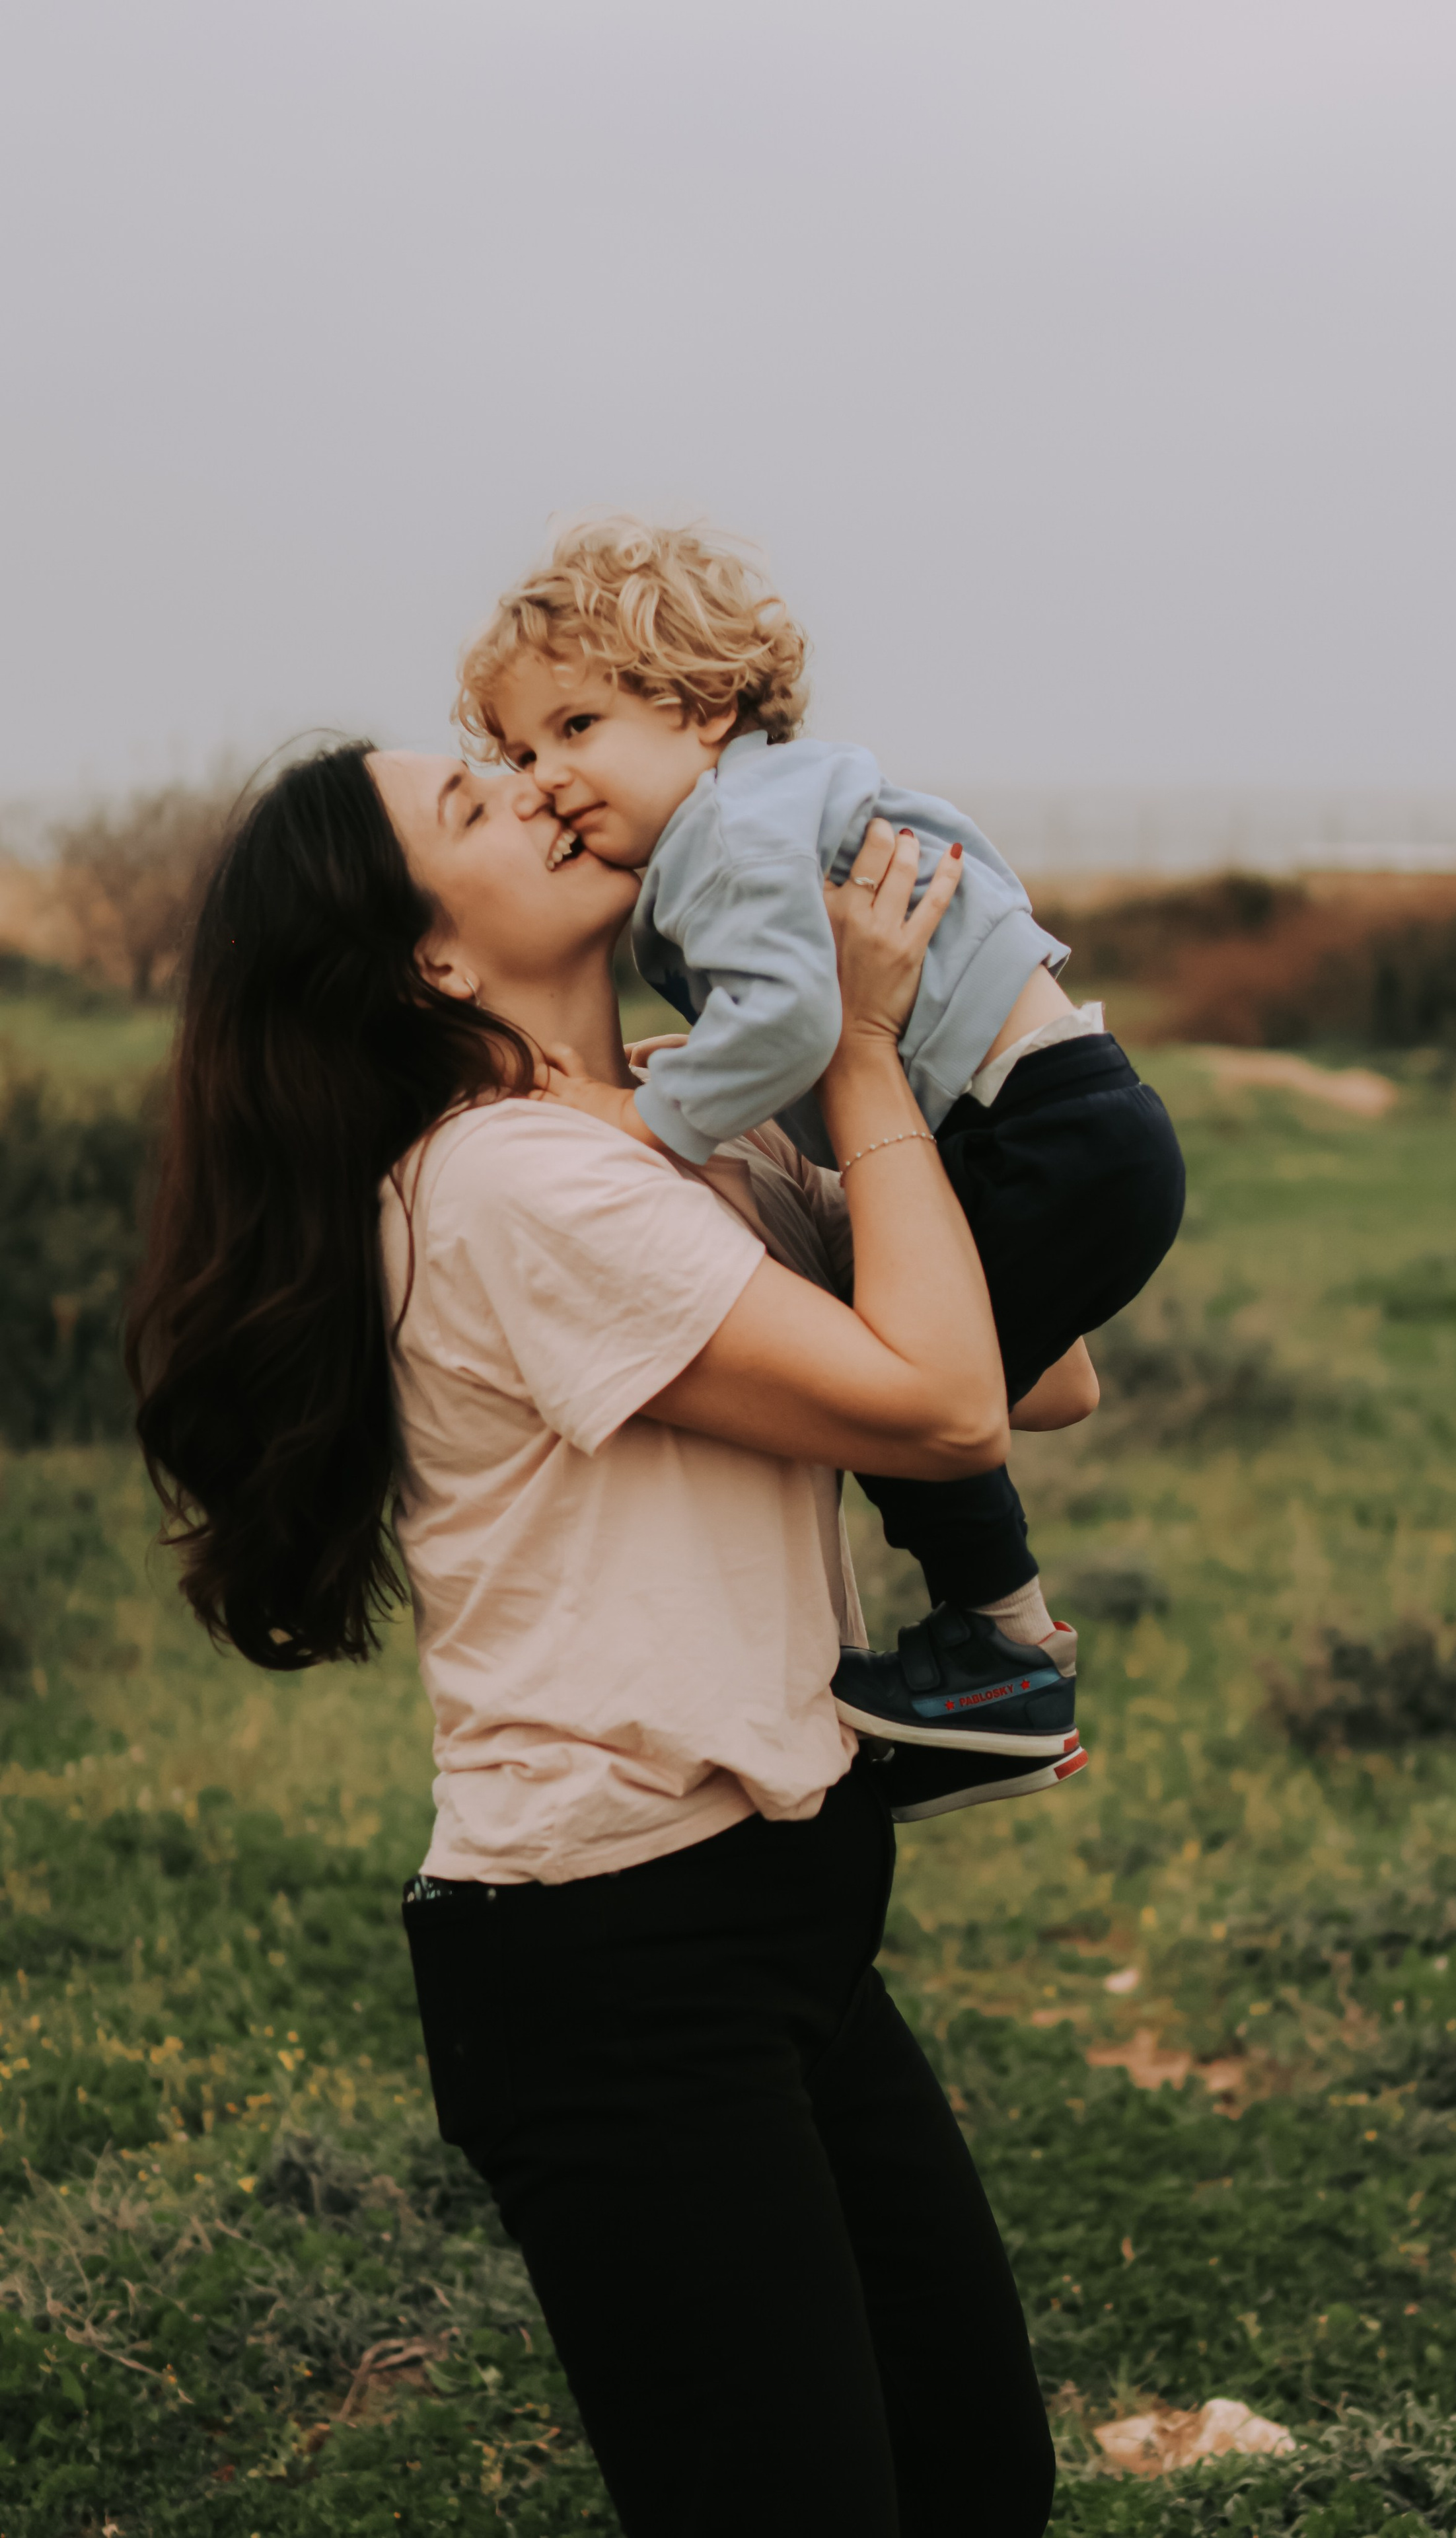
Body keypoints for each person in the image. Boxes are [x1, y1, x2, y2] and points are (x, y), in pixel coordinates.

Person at [127, 741, 1058, 2537]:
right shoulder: (510, 1187)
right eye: (471, 812)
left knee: (971, 2481)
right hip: (617, 1958)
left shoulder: (670, 1120)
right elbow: (947, 1407)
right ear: (434, 966)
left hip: (780, 1901)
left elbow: (1042, 1370)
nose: (546, 795)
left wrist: (976, 1042)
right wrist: (856, 1052)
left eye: (508, 771)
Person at [455, 514, 1186, 1808]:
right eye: (519, 748)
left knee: (896, 1397)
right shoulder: (782, 802)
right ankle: (985, 1677)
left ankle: (1004, 1651)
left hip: (1038, 1136)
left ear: (707, 707)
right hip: (1065, 1123)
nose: (544, 776)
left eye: (577, 728)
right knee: (924, 1362)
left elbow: (801, 1019)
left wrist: (647, 1120)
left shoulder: (719, 841)